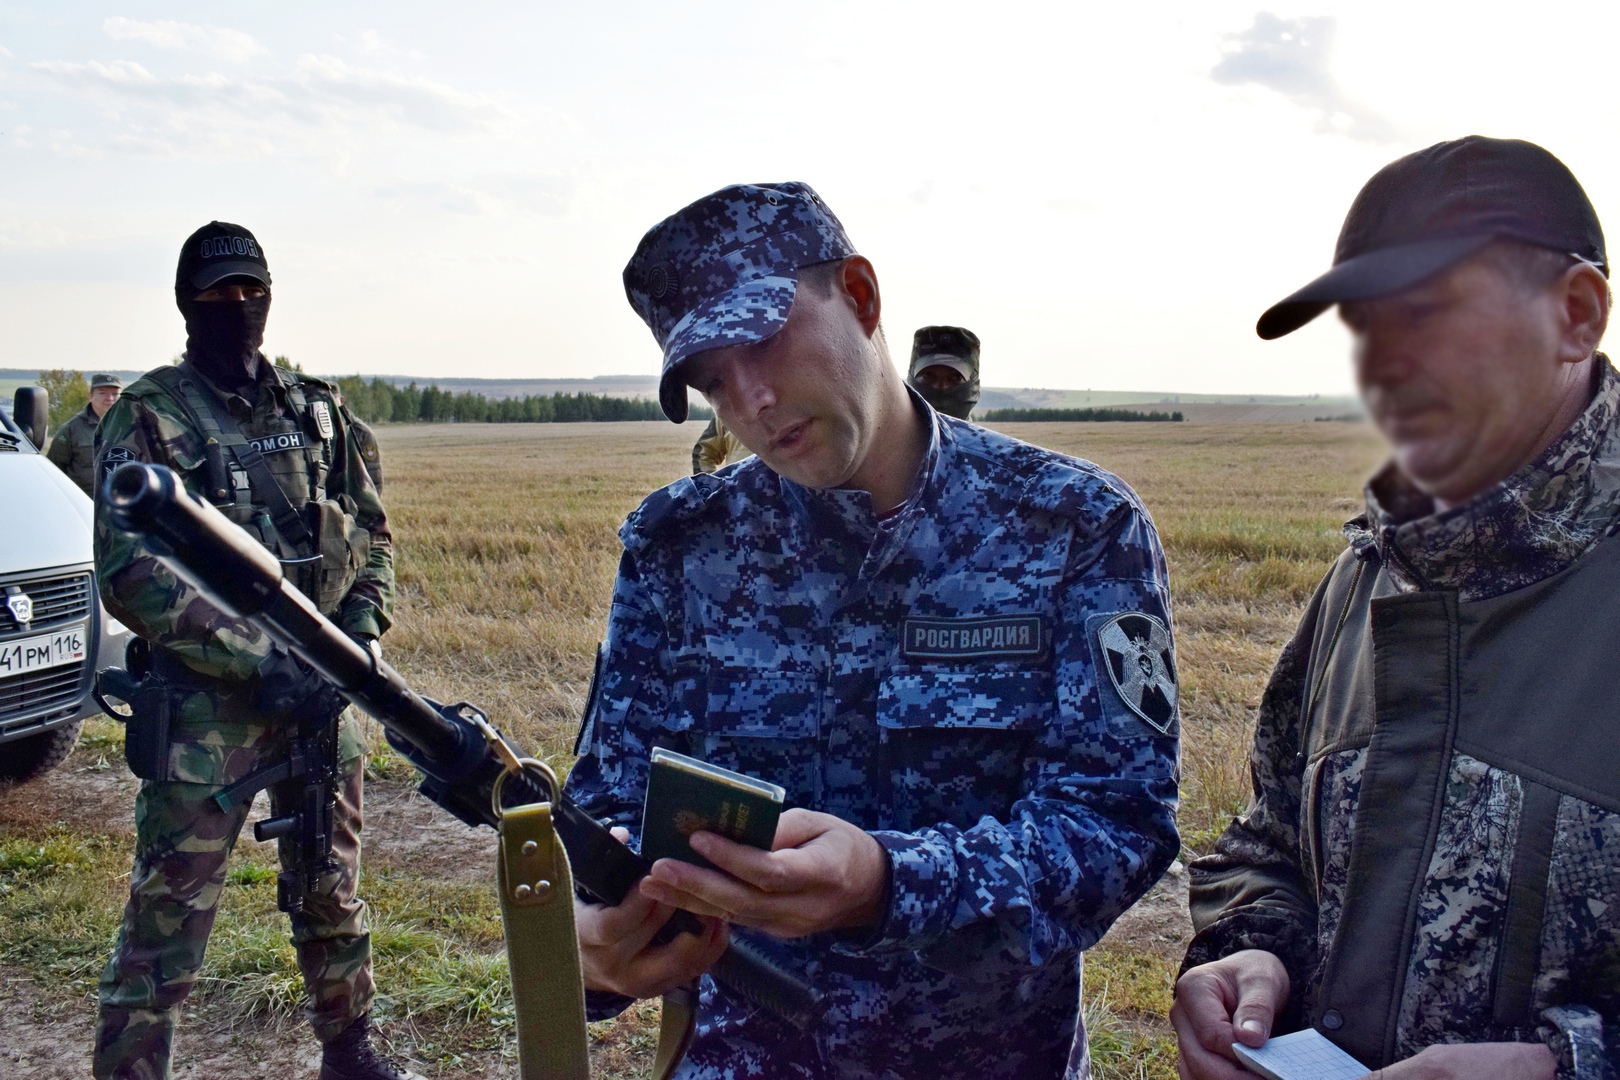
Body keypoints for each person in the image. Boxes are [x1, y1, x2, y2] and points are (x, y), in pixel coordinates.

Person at [565, 182, 1180, 1078]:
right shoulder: (677, 549)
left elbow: (1117, 822)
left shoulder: (1075, 527)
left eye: (762, 340)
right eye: (710, 380)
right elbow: (609, 813)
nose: (753, 400)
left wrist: (889, 884)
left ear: (860, 294)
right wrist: (594, 945)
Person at [1173, 137, 1620, 1080]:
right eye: (1367, 329)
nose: (1386, 370)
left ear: (1577, 314)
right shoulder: (1369, 576)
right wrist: (1248, 954)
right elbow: (1272, 837)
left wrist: (1569, 1066)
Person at [92, 221, 416, 1080]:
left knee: (331, 894)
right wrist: (259, 658)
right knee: (167, 917)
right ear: (185, 301)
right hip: (209, 713)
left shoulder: (316, 409)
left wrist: (360, 639)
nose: (235, 307)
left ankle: (350, 1054)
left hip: (324, 695)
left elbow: (374, 532)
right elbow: (131, 575)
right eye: (216, 294)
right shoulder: (148, 416)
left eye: (248, 291)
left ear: (269, 296)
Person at [46, 373, 121, 495]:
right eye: (103, 393)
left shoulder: (131, 427)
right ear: (90, 396)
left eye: (115, 394)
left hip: (121, 503)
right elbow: (54, 470)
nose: (110, 398)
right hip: (84, 502)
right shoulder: (72, 429)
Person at [907, 326, 980, 420]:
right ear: (911, 378)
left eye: (955, 378)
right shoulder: (890, 434)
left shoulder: (980, 435)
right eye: (928, 376)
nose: (941, 386)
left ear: (973, 383)